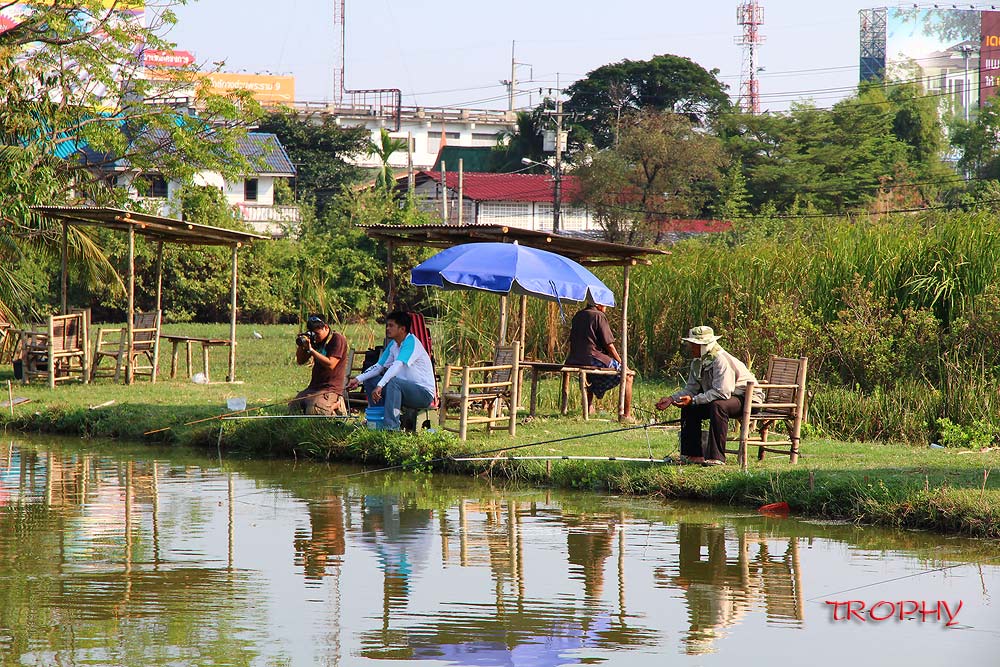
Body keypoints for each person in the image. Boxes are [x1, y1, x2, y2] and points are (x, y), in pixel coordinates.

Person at [655, 326, 763, 466]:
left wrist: (694, 399)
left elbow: (722, 392)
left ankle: (716, 457)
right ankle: (693, 455)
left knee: (718, 406)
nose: (691, 348)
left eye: (695, 345)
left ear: (704, 346)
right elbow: (691, 389)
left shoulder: (720, 360)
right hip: (725, 398)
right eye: (691, 345)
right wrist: (671, 399)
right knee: (690, 408)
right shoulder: (697, 362)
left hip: (748, 399)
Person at [347, 311, 436, 431]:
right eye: (387, 325)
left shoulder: (411, 342)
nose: (387, 328)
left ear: (402, 329)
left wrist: (380, 385)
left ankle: (391, 428)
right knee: (370, 380)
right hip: (403, 390)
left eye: (391, 325)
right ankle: (377, 420)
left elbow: (397, 365)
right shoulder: (394, 344)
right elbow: (379, 366)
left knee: (394, 382)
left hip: (423, 394)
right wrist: (358, 379)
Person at [565, 302, 633, 418]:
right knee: (628, 376)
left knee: (590, 377)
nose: (606, 308)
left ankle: (589, 407)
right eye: (605, 305)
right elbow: (609, 345)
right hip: (592, 357)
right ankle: (626, 415)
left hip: (575, 359)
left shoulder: (578, 315)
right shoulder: (598, 316)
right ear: (598, 304)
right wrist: (623, 364)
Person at [290, 315, 348, 415]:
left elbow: (331, 364)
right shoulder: (315, 341)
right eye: (313, 333)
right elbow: (300, 361)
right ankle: (331, 407)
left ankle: (337, 406)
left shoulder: (337, 339)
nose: (315, 336)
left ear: (326, 327)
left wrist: (311, 350)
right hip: (314, 388)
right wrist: (302, 346)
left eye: (317, 333)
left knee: (314, 409)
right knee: (294, 406)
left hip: (330, 388)